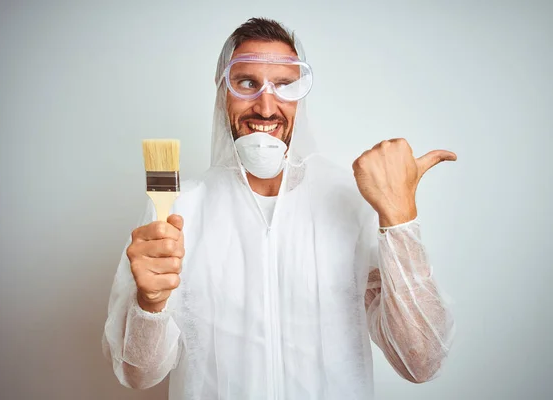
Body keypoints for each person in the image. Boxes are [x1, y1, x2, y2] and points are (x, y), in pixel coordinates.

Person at [102, 17, 456, 400]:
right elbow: (140, 375)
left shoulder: (353, 201)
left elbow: (422, 362)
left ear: (301, 93)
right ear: (224, 91)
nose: (267, 106)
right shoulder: (178, 210)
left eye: (285, 85)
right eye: (247, 83)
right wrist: (149, 304)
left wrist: (399, 218)